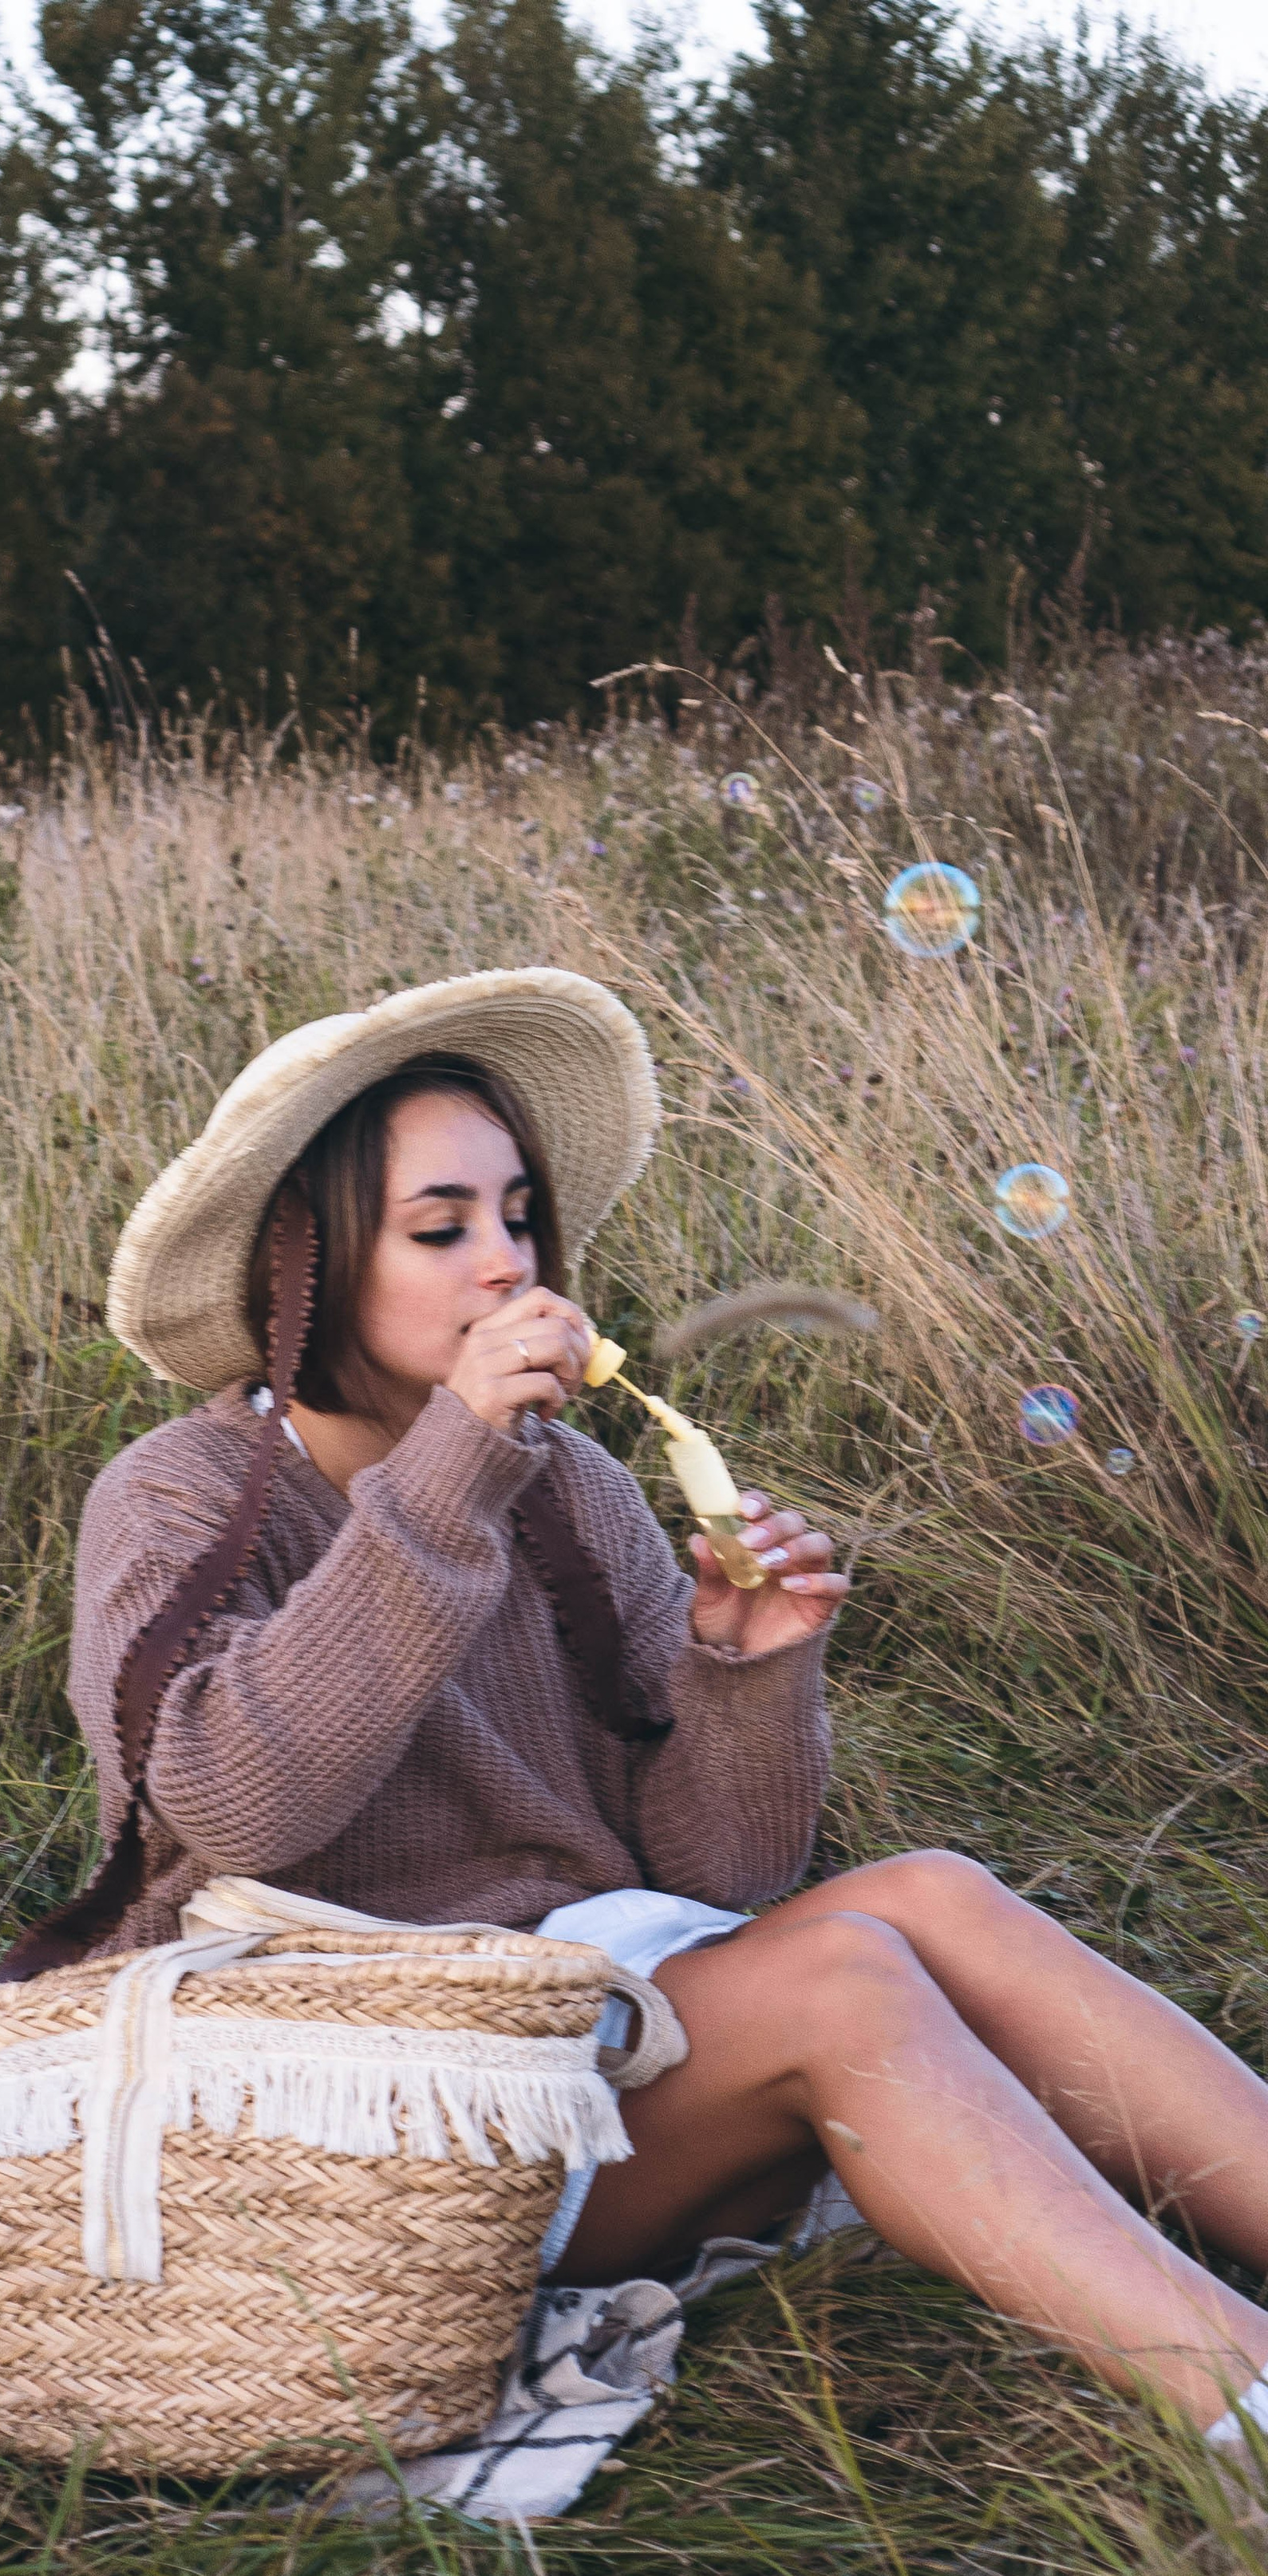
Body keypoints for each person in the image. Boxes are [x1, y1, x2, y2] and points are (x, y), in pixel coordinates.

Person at [71, 967, 1268, 2458]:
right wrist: (444, 1473)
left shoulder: (572, 1489)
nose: (504, 1267)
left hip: (587, 2040)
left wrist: (745, 1672)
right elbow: (233, 1807)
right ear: (301, 1271)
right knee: (842, 1982)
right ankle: (1238, 2399)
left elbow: (716, 1879)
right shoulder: (182, 1498)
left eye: (519, 1219)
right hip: (362, 2116)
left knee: (932, 1900)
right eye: (441, 1230)